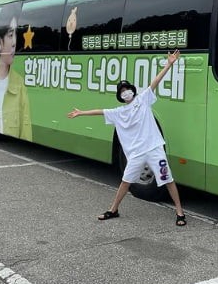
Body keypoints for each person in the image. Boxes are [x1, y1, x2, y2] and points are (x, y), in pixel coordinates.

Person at [67, 50, 186, 226]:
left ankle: (180, 212)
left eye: (127, 89)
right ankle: (113, 209)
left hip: (154, 148)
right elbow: (100, 111)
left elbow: (155, 82)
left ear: (132, 91)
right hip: (137, 153)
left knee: (167, 179)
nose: (126, 93)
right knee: (126, 181)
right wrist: (81, 113)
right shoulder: (119, 112)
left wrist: (169, 64)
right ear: (120, 96)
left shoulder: (143, 100)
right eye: (122, 91)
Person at [0, 3, 32, 141]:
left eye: (16, 34)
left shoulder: (20, 86)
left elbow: (26, 132)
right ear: (0, 43)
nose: (15, 42)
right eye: (10, 35)